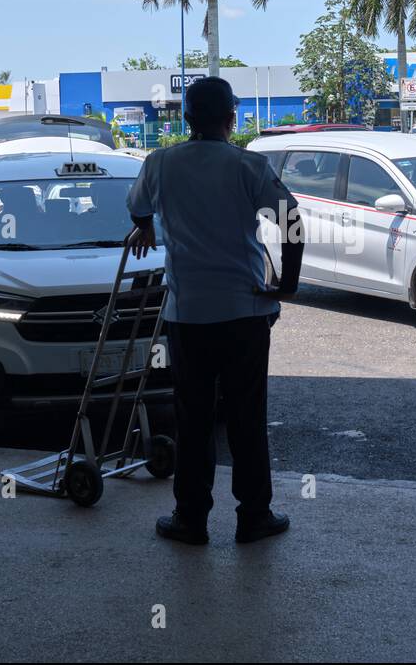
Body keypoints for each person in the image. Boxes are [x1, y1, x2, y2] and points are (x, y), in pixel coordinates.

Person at [126, 76, 304, 546]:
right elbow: (292, 221)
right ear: (232, 119)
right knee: (247, 417)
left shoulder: (159, 163)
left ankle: (190, 519)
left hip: (188, 318)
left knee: (193, 417)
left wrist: (145, 225)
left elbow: (137, 206)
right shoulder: (249, 165)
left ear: (186, 119)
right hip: (245, 313)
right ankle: (253, 517)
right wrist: (285, 284)